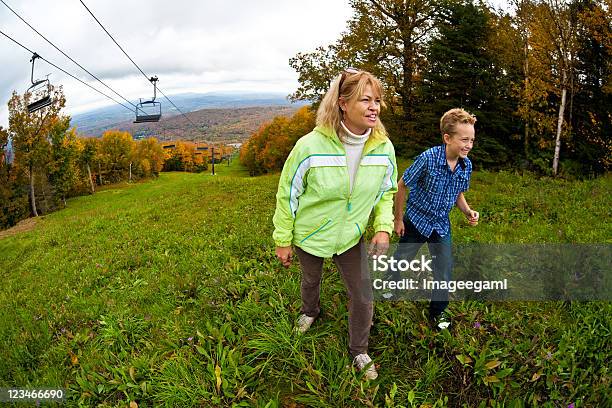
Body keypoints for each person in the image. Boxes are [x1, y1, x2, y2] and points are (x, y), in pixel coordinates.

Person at [272, 68, 398, 380]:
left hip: (351, 237)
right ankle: (310, 311)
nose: (374, 107)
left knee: (363, 294)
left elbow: (387, 192)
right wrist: (283, 239)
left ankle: (359, 350)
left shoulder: (384, 148)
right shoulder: (309, 147)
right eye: (365, 99)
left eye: (377, 100)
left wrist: (382, 227)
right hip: (311, 235)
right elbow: (288, 195)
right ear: (342, 103)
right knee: (311, 280)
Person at [391, 108, 479, 330]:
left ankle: (437, 312)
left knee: (444, 268)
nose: (469, 145)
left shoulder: (465, 165)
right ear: (447, 138)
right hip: (416, 220)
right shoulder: (428, 159)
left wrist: (467, 211)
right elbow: (402, 185)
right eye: (464, 139)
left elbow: (458, 192)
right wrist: (398, 219)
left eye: (472, 140)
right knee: (402, 258)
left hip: (441, 225)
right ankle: (392, 284)